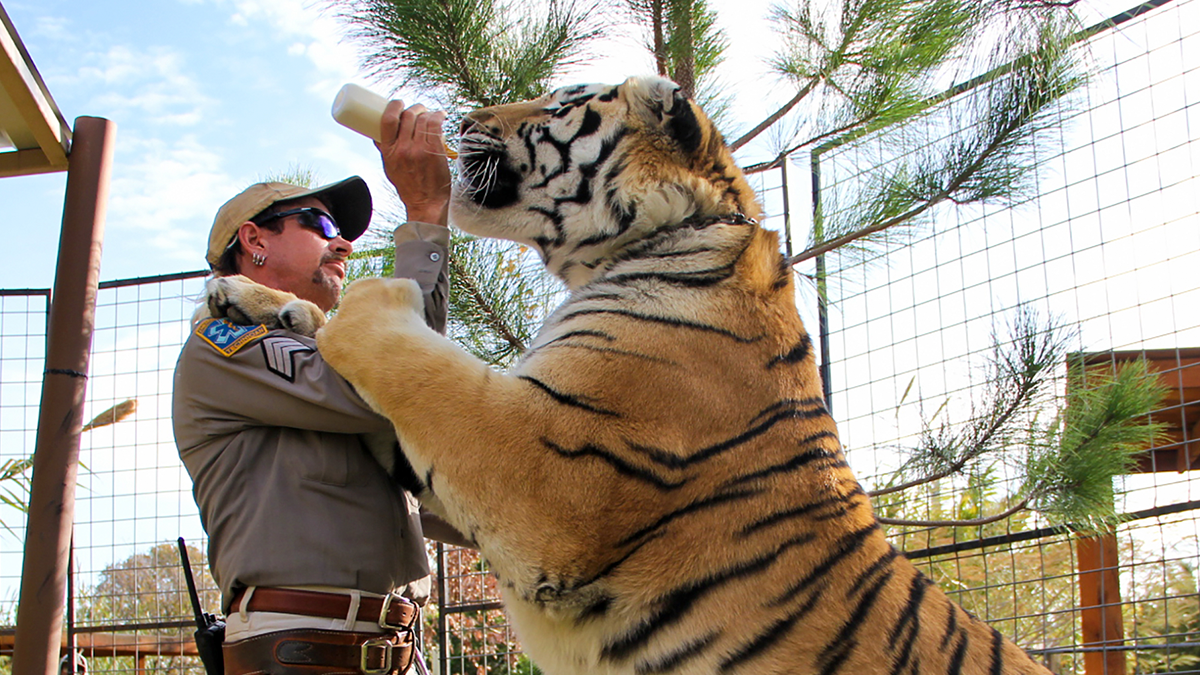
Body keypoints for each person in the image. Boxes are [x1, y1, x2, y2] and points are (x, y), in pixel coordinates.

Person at [172, 101, 466, 675]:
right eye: (321, 224)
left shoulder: (322, 355)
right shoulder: (225, 340)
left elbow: (421, 486)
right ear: (254, 240)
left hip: (396, 650)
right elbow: (396, 382)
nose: (344, 244)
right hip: (304, 650)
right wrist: (426, 213)